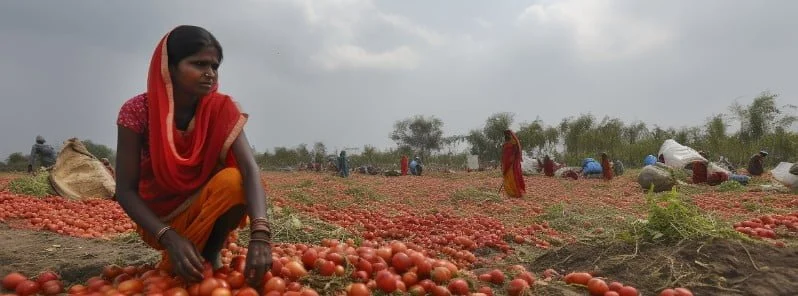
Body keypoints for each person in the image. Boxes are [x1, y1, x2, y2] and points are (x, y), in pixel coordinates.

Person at [114, 26, 271, 288]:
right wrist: (168, 236)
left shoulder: (221, 108)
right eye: (198, 64)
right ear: (169, 67)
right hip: (158, 220)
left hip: (205, 208)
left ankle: (209, 254)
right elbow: (125, 190)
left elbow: (250, 169)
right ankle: (180, 252)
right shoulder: (137, 111)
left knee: (235, 180)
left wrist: (261, 235)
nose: (209, 73)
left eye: (214, 66)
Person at [501, 130, 526, 197]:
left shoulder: (512, 144)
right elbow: (504, 155)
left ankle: (515, 192)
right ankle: (513, 192)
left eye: (507, 135)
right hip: (510, 163)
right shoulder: (509, 144)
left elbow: (513, 153)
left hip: (512, 164)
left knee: (512, 177)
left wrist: (511, 159)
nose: (507, 136)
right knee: (511, 177)